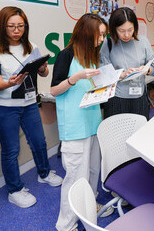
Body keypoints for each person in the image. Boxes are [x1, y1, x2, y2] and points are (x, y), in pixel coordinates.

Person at [0, 6, 62, 208]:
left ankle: (44, 173)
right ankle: (14, 190)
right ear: (3, 26)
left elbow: (42, 74)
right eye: (12, 26)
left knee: (39, 141)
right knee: (11, 150)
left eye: (21, 26)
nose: (17, 30)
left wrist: (43, 68)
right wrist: (11, 82)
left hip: (29, 103)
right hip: (5, 107)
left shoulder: (31, 46)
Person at [51, 13, 113, 231]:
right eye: (100, 35)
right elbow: (54, 90)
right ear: (87, 33)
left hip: (93, 123)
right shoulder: (66, 55)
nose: (102, 39)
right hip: (75, 128)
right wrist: (74, 78)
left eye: (104, 35)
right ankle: (66, 224)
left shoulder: (91, 56)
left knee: (93, 171)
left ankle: (88, 204)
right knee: (75, 178)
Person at [99, 7, 154, 120]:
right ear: (114, 28)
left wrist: (147, 70)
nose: (126, 35)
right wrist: (121, 75)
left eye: (130, 30)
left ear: (135, 27)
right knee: (117, 135)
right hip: (116, 100)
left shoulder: (143, 41)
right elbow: (102, 74)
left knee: (139, 133)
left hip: (139, 98)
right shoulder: (108, 44)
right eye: (121, 31)